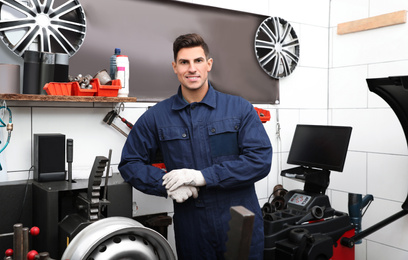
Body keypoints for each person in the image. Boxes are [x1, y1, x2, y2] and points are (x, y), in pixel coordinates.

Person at [119, 33, 272, 259]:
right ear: (175, 67)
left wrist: (203, 176)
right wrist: (167, 185)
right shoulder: (157, 116)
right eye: (184, 62)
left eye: (198, 61)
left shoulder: (239, 108)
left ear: (208, 64)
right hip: (192, 228)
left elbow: (260, 161)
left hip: (239, 221)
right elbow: (130, 163)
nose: (192, 68)